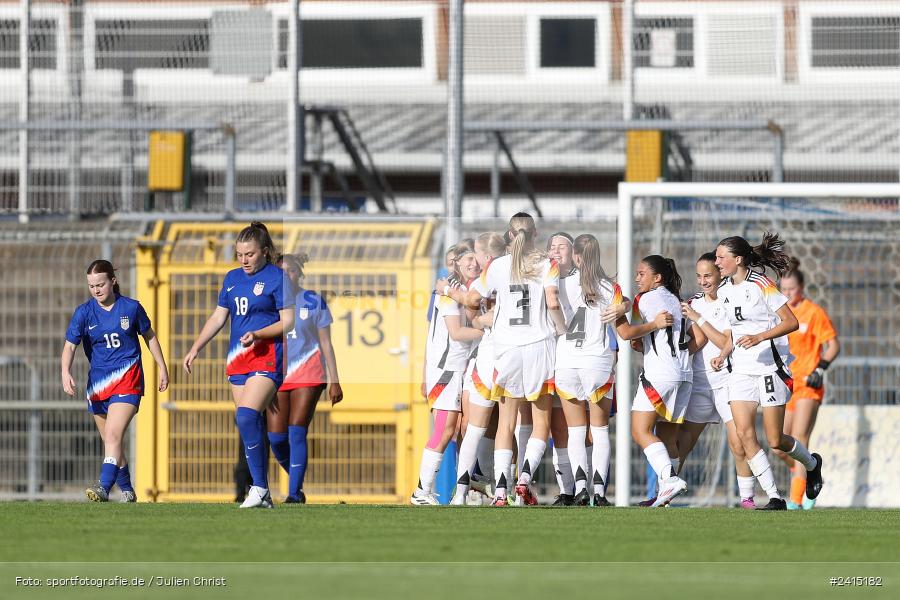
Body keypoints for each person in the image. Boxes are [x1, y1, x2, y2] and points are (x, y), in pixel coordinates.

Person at [182, 222, 295, 509]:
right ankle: (262, 491)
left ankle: (259, 488)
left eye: (250, 254)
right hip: (237, 360)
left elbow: (288, 321)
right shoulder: (232, 278)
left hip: (267, 357)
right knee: (248, 424)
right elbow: (218, 317)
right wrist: (195, 347)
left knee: (246, 416)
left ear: (265, 251)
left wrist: (258, 334)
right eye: (240, 254)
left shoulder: (278, 278)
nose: (244, 260)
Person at [711, 233, 824, 511]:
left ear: (738, 259)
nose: (717, 262)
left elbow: (790, 322)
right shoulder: (723, 290)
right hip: (741, 370)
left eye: (721, 257)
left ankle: (812, 464)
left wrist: (760, 337)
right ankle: (774, 497)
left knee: (776, 440)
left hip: (770, 368)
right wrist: (723, 354)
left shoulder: (762, 284)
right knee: (744, 433)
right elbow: (733, 332)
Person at [465, 212, 567, 506]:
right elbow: (553, 302)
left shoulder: (497, 265)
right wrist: (563, 330)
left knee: (506, 423)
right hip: (540, 347)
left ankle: (500, 491)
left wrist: (477, 315)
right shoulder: (546, 264)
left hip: (507, 349)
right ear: (535, 235)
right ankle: (523, 479)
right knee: (540, 422)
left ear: (509, 236)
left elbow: (472, 298)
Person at [62, 259, 169, 502]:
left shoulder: (131, 308)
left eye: (100, 284)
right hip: (98, 385)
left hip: (128, 379)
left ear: (113, 281)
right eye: (91, 286)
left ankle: (103, 486)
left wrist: (162, 367)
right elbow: (69, 346)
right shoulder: (84, 313)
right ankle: (128, 490)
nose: (96, 290)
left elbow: (149, 336)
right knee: (111, 441)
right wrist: (65, 372)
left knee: (112, 435)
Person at [615, 255, 704, 507]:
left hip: (660, 375)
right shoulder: (676, 301)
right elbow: (699, 338)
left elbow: (626, 333)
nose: (637, 278)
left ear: (657, 278)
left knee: (639, 430)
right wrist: (671, 353)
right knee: (667, 437)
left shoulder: (644, 299)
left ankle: (669, 480)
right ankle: (663, 497)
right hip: (684, 375)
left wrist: (616, 310)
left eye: (641, 273)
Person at [680, 252, 757, 509]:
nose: (703, 281)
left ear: (719, 275)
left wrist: (698, 319)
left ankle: (747, 498)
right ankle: (665, 492)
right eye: (699, 276)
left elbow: (726, 341)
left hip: (727, 382)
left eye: (708, 276)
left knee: (739, 442)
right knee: (683, 442)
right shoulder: (693, 303)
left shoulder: (728, 300)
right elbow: (692, 342)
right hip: (700, 383)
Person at [555, 234, 626, 506]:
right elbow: (624, 314)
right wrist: (625, 304)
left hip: (567, 362)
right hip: (597, 362)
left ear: (576, 256)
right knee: (600, 430)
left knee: (575, 431)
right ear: (598, 256)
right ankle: (600, 493)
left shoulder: (561, 284)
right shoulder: (611, 288)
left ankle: (581, 489)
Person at [411, 244, 483, 505]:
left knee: (457, 429)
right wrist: (491, 332)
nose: (473, 264)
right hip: (446, 370)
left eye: (475, 259)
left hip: (456, 368)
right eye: (468, 260)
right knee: (444, 430)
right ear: (456, 264)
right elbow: (457, 332)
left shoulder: (462, 291)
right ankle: (421, 492)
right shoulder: (449, 292)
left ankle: (465, 488)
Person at [268, 253, 343, 504]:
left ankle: (293, 494)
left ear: (299, 274)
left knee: (296, 431)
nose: (286, 275)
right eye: (281, 271)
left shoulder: (312, 301)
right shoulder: (269, 302)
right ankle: (297, 482)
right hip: (278, 375)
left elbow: (326, 343)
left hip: (309, 373)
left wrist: (334, 380)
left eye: (290, 270)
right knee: (276, 438)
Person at [774, 258, 839, 510]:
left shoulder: (813, 312)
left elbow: (833, 345)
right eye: (784, 289)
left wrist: (821, 367)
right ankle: (810, 471)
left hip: (808, 386)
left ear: (801, 288)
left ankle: (796, 501)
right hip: (786, 384)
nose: (788, 294)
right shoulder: (779, 313)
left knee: (800, 437)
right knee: (779, 445)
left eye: (792, 289)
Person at [446, 232, 506, 505]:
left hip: (490, 356)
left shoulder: (488, 276)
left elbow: (471, 304)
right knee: (511, 426)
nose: (476, 260)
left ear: (487, 256)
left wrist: (449, 291)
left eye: (478, 254)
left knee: (475, 428)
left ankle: (462, 493)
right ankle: (506, 490)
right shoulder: (520, 271)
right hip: (516, 356)